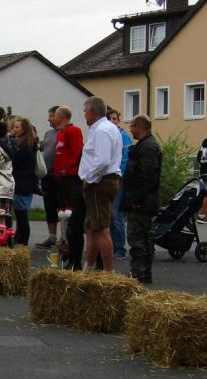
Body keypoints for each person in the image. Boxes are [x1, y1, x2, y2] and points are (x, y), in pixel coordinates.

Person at [79, 96, 122, 273]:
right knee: (91, 227)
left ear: (92, 111)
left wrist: (89, 178)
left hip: (100, 182)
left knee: (101, 228)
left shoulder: (102, 130)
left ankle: (108, 271)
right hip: (101, 180)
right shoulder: (106, 128)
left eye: (85, 111)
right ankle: (89, 266)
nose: (84, 115)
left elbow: (103, 160)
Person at [122, 115, 162, 284]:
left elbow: (147, 177)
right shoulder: (145, 145)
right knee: (143, 239)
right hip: (144, 199)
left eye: (132, 126)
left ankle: (139, 274)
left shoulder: (148, 147)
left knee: (138, 238)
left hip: (142, 202)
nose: (130, 130)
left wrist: (137, 199)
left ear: (140, 126)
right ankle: (142, 273)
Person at [52, 106, 84, 250]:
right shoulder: (60, 133)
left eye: (55, 115)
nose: (53, 118)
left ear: (61, 116)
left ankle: (71, 241)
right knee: (61, 211)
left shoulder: (74, 131)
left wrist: (68, 169)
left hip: (70, 177)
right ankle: (64, 239)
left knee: (70, 211)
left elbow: (77, 152)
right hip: (59, 176)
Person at [107, 108, 132, 259]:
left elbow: (126, 159)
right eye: (110, 119)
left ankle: (120, 248)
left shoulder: (123, 136)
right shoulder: (107, 136)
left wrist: (119, 175)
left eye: (115, 119)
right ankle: (111, 245)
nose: (112, 121)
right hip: (108, 179)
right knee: (110, 215)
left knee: (117, 215)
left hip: (119, 179)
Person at [10, 118, 38, 246]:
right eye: (14, 127)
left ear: (24, 129)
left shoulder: (24, 145)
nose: (14, 130)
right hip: (24, 182)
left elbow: (15, 162)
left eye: (17, 127)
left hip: (23, 182)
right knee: (20, 212)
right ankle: (20, 236)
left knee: (21, 213)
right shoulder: (23, 143)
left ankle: (23, 239)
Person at [36, 106, 60, 249]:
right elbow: (44, 149)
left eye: (51, 116)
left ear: (58, 116)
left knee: (62, 208)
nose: (48, 119)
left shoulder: (66, 132)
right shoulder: (48, 133)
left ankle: (64, 238)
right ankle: (52, 237)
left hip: (60, 176)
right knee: (49, 207)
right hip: (47, 175)